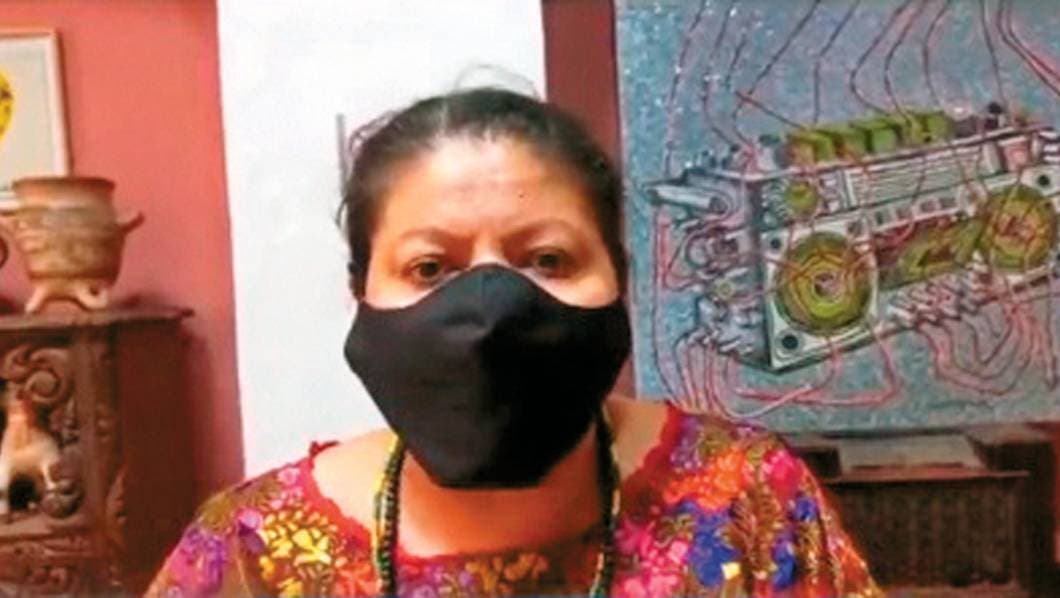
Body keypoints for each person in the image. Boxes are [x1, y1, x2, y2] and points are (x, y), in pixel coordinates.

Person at [146, 88, 880, 597]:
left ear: (619, 281)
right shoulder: (251, 550)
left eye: (548, 259)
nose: (492, 315)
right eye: (430, 268)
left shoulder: (749, 501)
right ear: (359, 292)